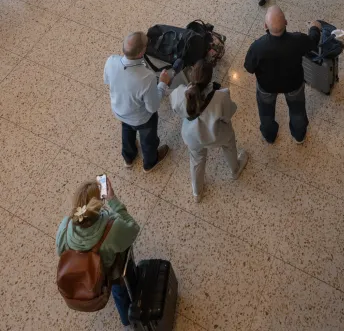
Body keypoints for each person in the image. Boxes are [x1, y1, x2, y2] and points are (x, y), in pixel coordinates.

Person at [56, 179, 139, 327]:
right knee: (119, 291)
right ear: (99, 205)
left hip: (84, 273)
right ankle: (127, 320)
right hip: (110, 272)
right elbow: (133, 228)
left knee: (116, 291)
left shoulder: (65, 226)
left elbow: (60, 251)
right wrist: (113, 201)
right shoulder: (112, 229)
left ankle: (126, 322)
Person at [170, 59, 248, 202]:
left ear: (191, 73)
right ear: (210, 78)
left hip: (191, 136)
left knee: (196, 160)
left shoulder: (179, 93)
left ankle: (197, 192)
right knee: (229, 144)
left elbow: (176, 111)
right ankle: (235, 170)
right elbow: (228, 115)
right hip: (216, 135)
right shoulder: (221, 96)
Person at [244, 5, 322, 141]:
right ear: (286, 22)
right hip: (293, 84)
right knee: (297, 111)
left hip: (266, 87)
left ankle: (269, 136)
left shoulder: (257, 47)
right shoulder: (298, 40)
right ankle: (299, 135)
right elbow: (312, 42)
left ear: (265, 26)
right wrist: (314, 28)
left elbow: (249, 68)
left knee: (266, 113)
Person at [103, 31, 172, 171]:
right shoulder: (147, 77)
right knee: (148, 140)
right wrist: (163, 84)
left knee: (127, 131)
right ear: (142, 52)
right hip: (142, 119)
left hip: (120, 111)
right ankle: (150, 162)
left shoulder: (111, 61)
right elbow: (152, 107)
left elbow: (107, 80)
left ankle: (128, 157)